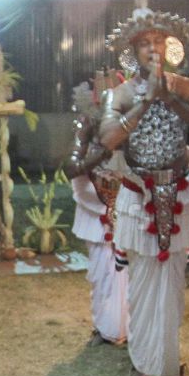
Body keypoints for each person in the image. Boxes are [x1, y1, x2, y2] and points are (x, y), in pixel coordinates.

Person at [96, 9, 189, 376]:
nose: (153, 48)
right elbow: (109, 139)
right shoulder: (121, 92)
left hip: (178, 192)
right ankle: (144, 362)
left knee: (173, 286)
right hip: (138, 195)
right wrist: (145, 101)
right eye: (145, 43)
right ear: (134, 51)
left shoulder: (185, 84)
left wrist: (169, 95)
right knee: (144, 283)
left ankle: (167, 361)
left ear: (169, 46)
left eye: (159, 41)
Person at [64, 72, 127, 345]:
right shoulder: (87, 122)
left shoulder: (130, 120)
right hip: (97, 204)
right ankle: (105, 327)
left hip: (130, 203)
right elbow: (70, 167)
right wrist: (101, 153)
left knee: (130, 272)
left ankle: (130, 326)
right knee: (103, 273)